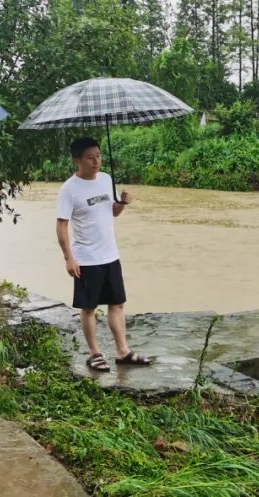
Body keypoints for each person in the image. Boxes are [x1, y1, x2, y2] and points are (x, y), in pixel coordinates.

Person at [56, 137, 152, 373]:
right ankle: (95, 353)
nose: (96, 161)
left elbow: (113, 213)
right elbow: (61, 226)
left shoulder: (107, 179)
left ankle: (123, 351)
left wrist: (122, 203)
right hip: (86, 258)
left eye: (98, 155)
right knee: (88, 308)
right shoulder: (69, 189)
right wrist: (69, 258)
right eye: (90, 157)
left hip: (110, 255)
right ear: (77, 160)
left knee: (117, 304)